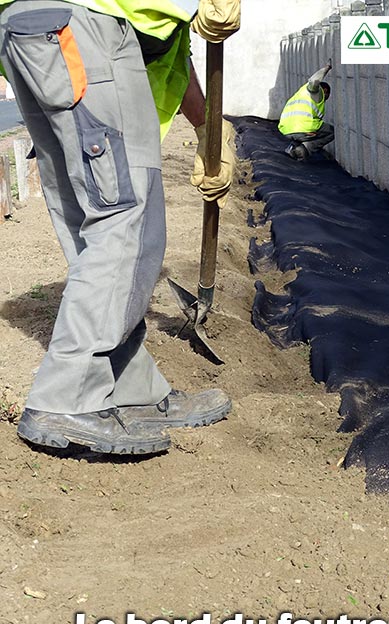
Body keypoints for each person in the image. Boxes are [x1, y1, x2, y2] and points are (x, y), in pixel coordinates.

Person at [0, 0, 241, 455]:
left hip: (46, 33)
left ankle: (128, 389)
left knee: (97, 222)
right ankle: (66, 396)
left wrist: (209, 125)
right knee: (123, 221)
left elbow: (168, 49)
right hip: (82, 31)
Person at [278, 60, 334, 161]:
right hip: (303, 128)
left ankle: (291, 149)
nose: (326, 99)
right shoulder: (316, 92)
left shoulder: (300, 93)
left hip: (286, 129)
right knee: (331, 132)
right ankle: (304, 150)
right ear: (325, 91)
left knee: (309, 133)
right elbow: (314, 81)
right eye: (327, 96)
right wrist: (326, 69)